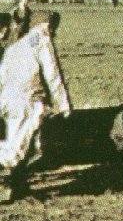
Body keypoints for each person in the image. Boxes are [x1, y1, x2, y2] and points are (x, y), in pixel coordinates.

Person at [0, 11, 72, 201]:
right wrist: (64, 106)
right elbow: (52, 74)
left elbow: (3, 77)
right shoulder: (41, 40)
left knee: (26, 146)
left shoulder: (16, 46)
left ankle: (18, 187)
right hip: (27, 103)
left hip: (9, 102)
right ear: (48, 26)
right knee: (14, 154)